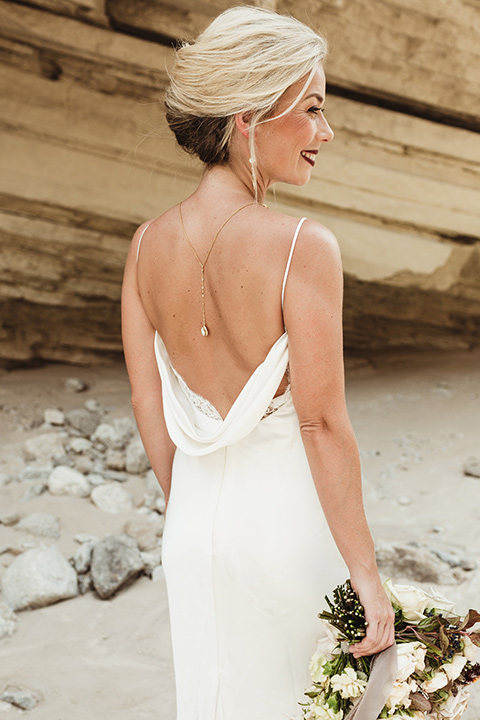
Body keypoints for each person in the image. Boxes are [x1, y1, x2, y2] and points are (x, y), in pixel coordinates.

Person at [121, 6, 394, 719]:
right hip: (287, 533)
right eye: (311, 109)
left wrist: (197, 512)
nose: (325, 132)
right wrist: (367, 574)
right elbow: (322, 423)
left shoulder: (146, 245)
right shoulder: (304, 245)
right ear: (248, 117)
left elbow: (150, 406)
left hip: (191, 534)